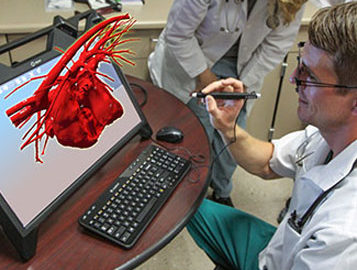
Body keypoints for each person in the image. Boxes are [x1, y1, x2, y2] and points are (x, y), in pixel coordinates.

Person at [186, 2, 357, 269]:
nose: (292, 79)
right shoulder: (328, 135)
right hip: (278, 247)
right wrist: (227, 126)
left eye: (308, 76)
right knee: (183, 204)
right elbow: (267, 161)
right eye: (300, 65)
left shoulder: (343, 235)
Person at [148, 0, 309, 206]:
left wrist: (240, 86)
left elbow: (276, 46)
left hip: (244, 68)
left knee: (233, 136)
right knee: (197, 134)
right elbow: (179, 33)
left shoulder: (292, 1)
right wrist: (206, 78)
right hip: (194, 64)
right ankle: (189, 194)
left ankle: (221, 191)